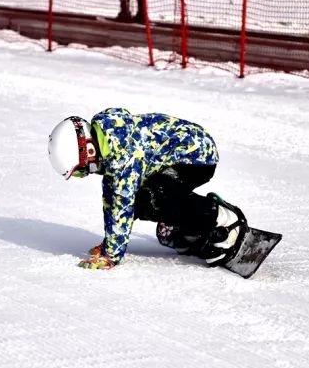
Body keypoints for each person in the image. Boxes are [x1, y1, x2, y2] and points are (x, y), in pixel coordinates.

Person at [47, 108, 247, 270]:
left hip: (196, 155)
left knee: (156, 197)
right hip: (173, 158)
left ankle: (223, 219)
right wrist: (109, 243)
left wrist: (111, 255)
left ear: (88, 151)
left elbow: (122, 206)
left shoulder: (121, 156)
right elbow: (112, 201)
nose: (87, 173)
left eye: (82, 170)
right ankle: (191, 228)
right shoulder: (109, 147)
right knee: (142, 201)